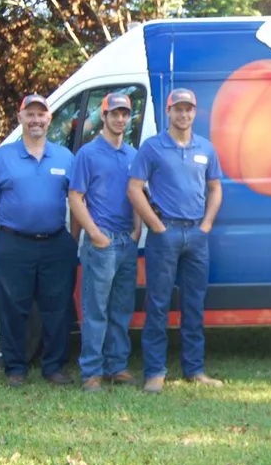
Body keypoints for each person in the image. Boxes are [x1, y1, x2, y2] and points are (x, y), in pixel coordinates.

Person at [127, 88, 223, 394]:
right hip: (164, 235)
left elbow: (216, 188)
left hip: (196, 236)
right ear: (168, 112)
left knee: (194, 304)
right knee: (158, 303)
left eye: (188, 109)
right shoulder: (152, 148)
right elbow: (134, 188)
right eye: (177, 109)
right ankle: (155, 372)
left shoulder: (206, 148)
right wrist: (155, 226)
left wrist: (206, 224)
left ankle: (194, 369)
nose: (183, 114)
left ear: (194, 112)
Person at [0, 94, 77, 388]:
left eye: (41, 114)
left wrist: (71, 240)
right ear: (20, 118)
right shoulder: (2, 157)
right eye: (30, 114)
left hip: (56, 244)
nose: (36, 120)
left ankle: (53, 367)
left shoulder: (65, 157)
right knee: (12, 308)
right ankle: (15, 368)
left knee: (57, 308)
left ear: (49, 119)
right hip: (12, 243)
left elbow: (77, 199)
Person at [68, 92, 141, 392]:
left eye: (125, 114)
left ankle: (117, 365)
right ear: (104, 116)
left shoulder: (132, 155)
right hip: (102, 243)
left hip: (127, 242)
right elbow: (75, 198)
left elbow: (138, 193)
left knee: (121, 308)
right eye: (115, 114)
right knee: (96, 309)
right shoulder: (87, 154)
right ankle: (91, 372)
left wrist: (137, 229)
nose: (120, 119)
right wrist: (95, 234)